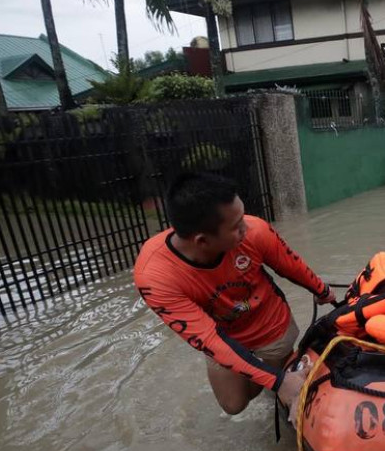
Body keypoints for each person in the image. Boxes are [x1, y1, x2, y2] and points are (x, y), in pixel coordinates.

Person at [134, 172, 335, 416]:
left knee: (268, 384)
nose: (246, 226)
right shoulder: (156, 277)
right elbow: (209, 340)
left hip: (269, 324)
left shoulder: (256, 231)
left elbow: (290, 264)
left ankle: (280, 370)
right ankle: (275, 376)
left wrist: (322, 291)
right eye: (236, 225)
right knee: (234, 404)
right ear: (202, 241)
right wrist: (278, 381)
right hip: (222, 334)